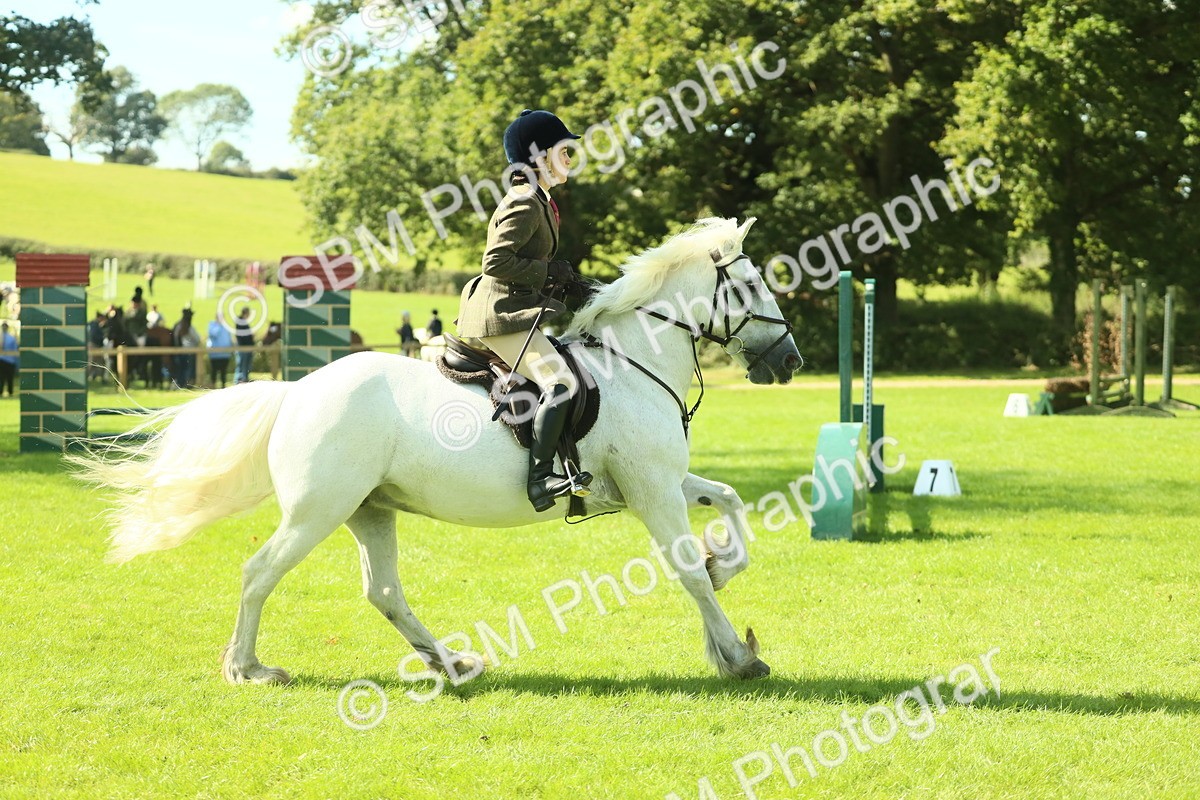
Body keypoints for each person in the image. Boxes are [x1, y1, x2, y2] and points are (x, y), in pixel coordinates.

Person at [455, 108, 596, 511]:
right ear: (539, 157)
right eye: (563, 150)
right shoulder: (525, 201)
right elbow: (495, 262)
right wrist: (548, 271)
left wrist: (566, 282)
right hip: (499, 314)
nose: (570, 158)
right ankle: (540, 481)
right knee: (561, 384)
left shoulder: (539, 199)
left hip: (513, 309)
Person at [172, 309, 200, 389]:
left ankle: (180, 384)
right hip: (189, 351)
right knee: (188, 369)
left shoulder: (177, 326)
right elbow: (197, 339)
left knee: (181, 368)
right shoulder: (190, 328)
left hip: (180, 351)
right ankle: (187, 384)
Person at [206, 315, 233, 388]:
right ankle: (212, 387)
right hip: (215, 355)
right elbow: (213, 334)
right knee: (214, 371)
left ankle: (223, 387)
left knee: (223, 372)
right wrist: (218, 325)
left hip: (225, 354)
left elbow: (229, 338)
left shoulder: (226, 327)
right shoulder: (212, 325)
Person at [234, 307, 255, 383]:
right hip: (243, 347)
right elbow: (242, 336)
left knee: (244, 365)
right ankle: (239, 380)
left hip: (245, 347)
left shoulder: (242, 322)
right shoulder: (241, 323)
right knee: (242, 365)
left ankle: (242, 380)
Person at [0, 322, 17, 397]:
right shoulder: (10, 338)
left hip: (9, 360)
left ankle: (9, 391)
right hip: (5, 360)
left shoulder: (11, 338)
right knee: (3, 377)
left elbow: (14, 350)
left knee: (8, 377)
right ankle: (5, 391)